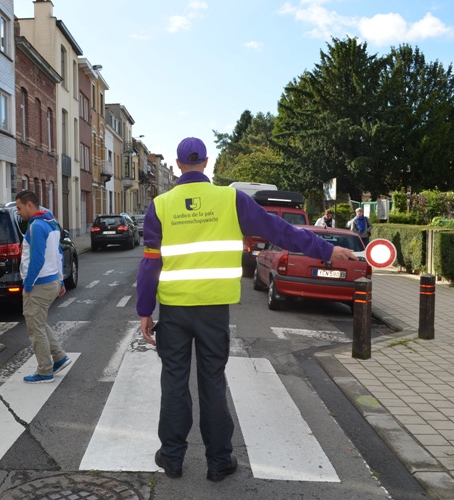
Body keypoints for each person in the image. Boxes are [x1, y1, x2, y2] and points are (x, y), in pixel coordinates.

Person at [136, 137, 355, 482]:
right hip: (214, 310)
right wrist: (326, 251)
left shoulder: (160, 205)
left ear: (177, 165)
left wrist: (145, 310)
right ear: (206, 162)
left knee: (174, 382)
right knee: (212, 383)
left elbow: (151, 262)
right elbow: (279, 230)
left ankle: (173, 459)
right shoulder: (230, 199)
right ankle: (219, 461)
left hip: (175, 310)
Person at [15, 190, 71, 384]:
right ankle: (59, 357)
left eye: (19, 208)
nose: (18, 212)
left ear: (29, 205)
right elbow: (58, 254)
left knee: (35, 327)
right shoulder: (50, 223)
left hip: (39, 284)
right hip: (51, 280)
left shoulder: (36, 226)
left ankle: (45, 371)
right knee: (39, 323)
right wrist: (61, 280)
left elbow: (37, 260)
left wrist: (28, 284)